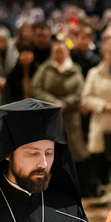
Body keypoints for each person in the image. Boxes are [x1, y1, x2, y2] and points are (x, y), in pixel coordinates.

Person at [32, 39, 93, 195]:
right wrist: (52, 102)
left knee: (74, 153)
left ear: (67, 53)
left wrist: (66, 103)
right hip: (49, 117)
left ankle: (77, 188)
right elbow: (36, 89)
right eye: (56, 51)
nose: (58, 54)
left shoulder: (75, 70)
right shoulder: (45, 69)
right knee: (50, 152)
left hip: (71, 118)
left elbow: (80, 92)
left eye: (61, 51)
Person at [81, 38, 111, 185]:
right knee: (101, 158)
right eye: (109, 53)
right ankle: (103, 187)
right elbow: (86, 97)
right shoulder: (94, 73)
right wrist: (103, 106)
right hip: (102, 120)